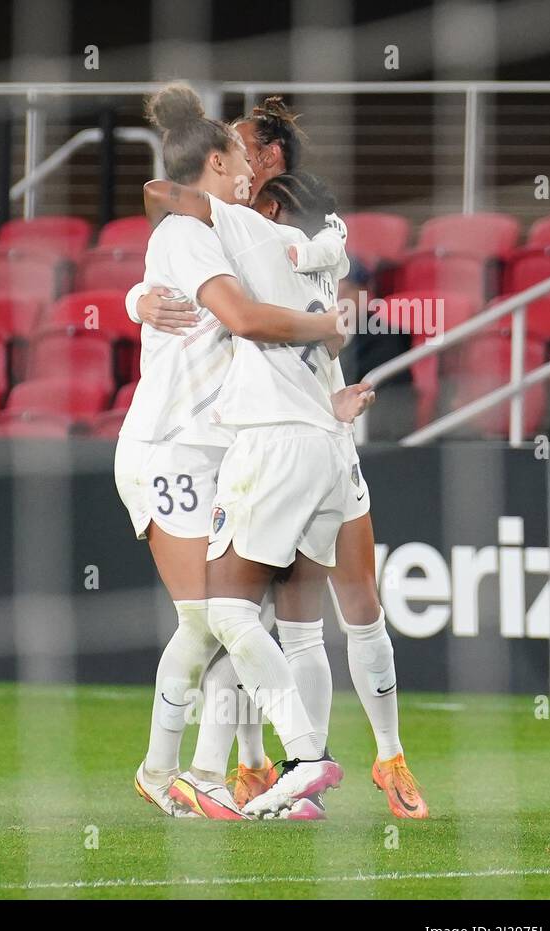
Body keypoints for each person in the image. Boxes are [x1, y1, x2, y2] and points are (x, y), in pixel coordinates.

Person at [132, 98, 427, 821]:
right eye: (222, 146)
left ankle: (286, 762)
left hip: (276, 440)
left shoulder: (254, 230)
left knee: (259, 618)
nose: (230, 154)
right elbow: (169, 213)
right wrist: (140, 297)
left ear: (263, 163)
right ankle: (245, 766)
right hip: (244, 440)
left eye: (239, 146)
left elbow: (167, 202)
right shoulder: (306, 239)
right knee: (244, 620)